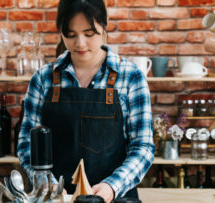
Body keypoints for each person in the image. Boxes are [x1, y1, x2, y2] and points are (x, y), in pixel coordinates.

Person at [17, 0, 155, 202]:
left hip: (115, 198)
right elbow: (26, 144)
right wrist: (47, 184)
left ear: (104, 28)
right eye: (71, 35)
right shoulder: (43, 79)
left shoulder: (130, 77)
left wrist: (112, 186)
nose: (80, 43)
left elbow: (142, 147)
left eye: (89, 34)